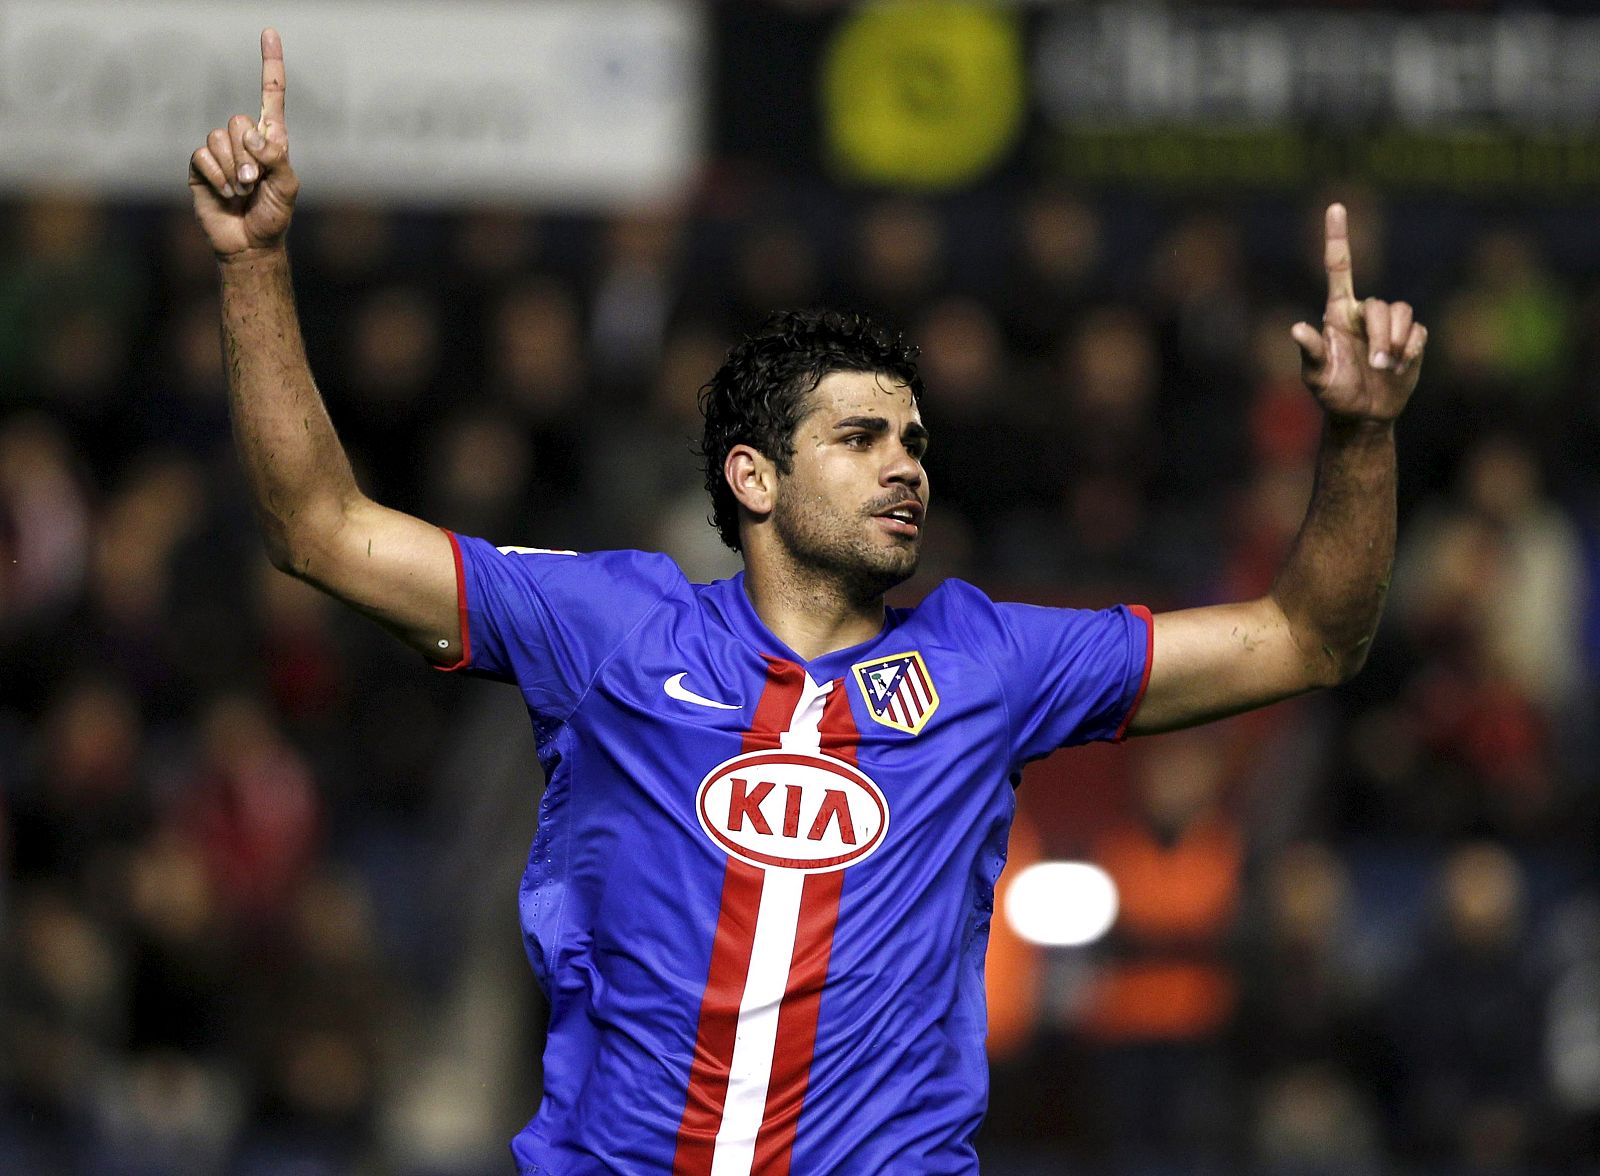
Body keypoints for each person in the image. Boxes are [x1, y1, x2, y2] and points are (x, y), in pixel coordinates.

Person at [188, 29, 1428, 1176]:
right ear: (755, 477)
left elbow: (1306, 638)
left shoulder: (990, 664)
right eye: (860, 436)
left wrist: (1361, 440)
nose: (906, 464)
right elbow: (322, 529)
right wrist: (255, 266)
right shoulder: (613, 629)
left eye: (916, 439)